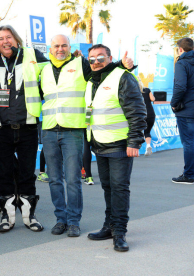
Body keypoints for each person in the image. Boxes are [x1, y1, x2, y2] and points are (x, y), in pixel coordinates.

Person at [41, 35, 134, 237]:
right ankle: (60, 220)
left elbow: (103, 69)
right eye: (56, 45)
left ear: (70, 47)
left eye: (64, 45)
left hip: (73, 130)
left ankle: (74, 222)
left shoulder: (81, 63)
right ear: (50, 48)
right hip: (48, 130)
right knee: (55, 179)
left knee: (73, 179)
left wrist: (124, 66)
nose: (60, 49)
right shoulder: (44, 68)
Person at [85, 44, 146, 252]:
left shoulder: (123, 77)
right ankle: (109, 226)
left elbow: (137, 110)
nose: (95, 62)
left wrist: (134, 141)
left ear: (110, 58)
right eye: (91, 59)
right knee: (108, 188)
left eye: (100, 57)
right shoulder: (92, 80)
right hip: (99, 144)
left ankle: (119, 232)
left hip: (119, 144)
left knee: (119, 189)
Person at [0, 25, 48, 233]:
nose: (5, 41)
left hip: (27, 126)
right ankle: (7, 217)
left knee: (26, 175)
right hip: (1, 129)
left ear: (16, 39)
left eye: (9, 37)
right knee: (3, 175)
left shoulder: (32, 55)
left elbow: (52, 73)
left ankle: (29, 217)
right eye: (1, 39)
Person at [171, 37, 194, 184]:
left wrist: (174, 103)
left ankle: (189, 175)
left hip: (187, 110)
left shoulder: (182, 63)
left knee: (189, 143)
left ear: (180, 49)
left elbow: (180, 87)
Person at [140, 83, 155, 156]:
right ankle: (148, 145)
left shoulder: (134, 91)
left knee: (137, 131)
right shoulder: (147, 90)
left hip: (140, 114)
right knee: (147, 131)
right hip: (150, 113)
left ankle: (137, 148)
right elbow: (152, 99)